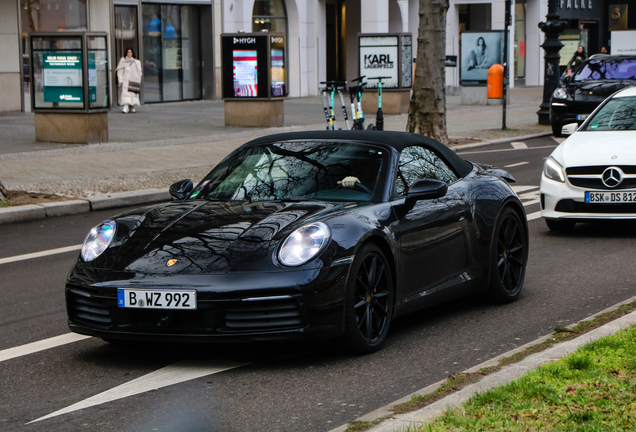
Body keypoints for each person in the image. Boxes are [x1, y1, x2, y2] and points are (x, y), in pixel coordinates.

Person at [116, 48, 142, 114]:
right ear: (126, 53)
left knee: (133, 93)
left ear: (132, 53)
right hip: (126, 81)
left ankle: (132, 107)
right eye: (128, 52)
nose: (129, 53)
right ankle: (125, 107)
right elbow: (120, 72)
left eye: (130, 52)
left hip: (133, 80)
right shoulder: (123, 61)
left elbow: (139, 71)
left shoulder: (136, 62)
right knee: (125, 94)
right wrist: (120, 81)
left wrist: (138, 79)